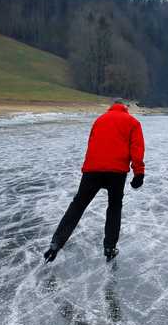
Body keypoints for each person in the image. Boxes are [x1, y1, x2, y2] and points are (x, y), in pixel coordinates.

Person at [44, 99, 145, 263]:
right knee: (114, 207)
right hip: (116, 172)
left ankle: (56, 243)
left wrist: (87, 168)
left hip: (92, 170)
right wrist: (138, 173)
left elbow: (91, 144)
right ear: (125, 108)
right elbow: (137, 148)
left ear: (111, 107)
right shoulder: (132, 122)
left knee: (78, 205)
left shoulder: (99, 120)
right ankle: (109, 248)